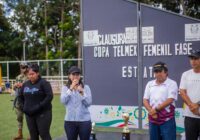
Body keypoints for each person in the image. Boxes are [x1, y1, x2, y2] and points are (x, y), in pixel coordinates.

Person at [143, 61, 178, 140]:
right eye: (156, 71)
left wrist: (155, 110)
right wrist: (151, 112)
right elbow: (145, 100)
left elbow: (170, 100)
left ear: (166, 72)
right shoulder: (149, 84)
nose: (158, 73)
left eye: (160, 71)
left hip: (167, 120)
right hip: (153, 119)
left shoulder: (172, 83)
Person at [18, 63, 53, 140]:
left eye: (32, 74)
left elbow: (49, 96)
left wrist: (39, 106)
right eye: (29, 74)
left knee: (44, 134)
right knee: (33, 135)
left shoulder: (44, 83)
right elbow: (20, 96)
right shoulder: (25, 84)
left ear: (37, 73)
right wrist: (23, 107)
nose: (30, 76)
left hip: (43, 113)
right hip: (29, 114)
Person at [60, 66, 92, 140]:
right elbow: (63, 101)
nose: (75, 77)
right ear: (69, 76)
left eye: (77, 74)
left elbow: (89, 103)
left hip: (84, 121)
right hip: (69, 121)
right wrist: (70, 89)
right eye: (73, 74)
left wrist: (81, 92)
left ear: (80, 76)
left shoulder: (86, 88)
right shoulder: (65, 88)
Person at [179, 49, 200, 140]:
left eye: (196, 58)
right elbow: (182, 92)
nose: (193, 61)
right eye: (191, 59)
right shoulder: (185, 74)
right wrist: (192, 106)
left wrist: (198, 104)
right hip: (189, 115)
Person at [13, 62, 28, 140]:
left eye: (24, 67)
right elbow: (14, 88)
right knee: (19, 117)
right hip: (19, 100)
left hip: (27, 100)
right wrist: (15, 86)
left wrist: (22, 85)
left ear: (27, 67)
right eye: (22, 67)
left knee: (29, 117)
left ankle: (32, 134)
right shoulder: (18, 77)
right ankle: (20, 134)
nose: (23, 68)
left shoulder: (30, 76)